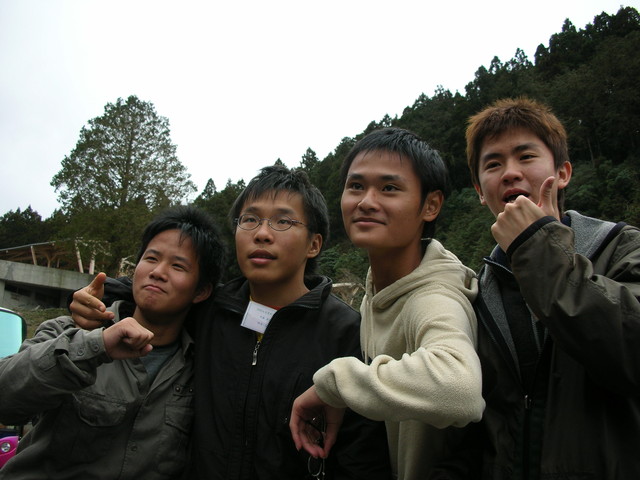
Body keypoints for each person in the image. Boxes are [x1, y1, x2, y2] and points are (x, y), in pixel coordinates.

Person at [70, 165, 392, 479]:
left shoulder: (345, 331)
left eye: (283, 221)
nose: (262, 234)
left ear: (314, 244)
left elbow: (362, 455)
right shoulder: (210, 310)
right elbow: (157, 292)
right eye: (250, 219)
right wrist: (97, 299)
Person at [289, 128, 485, 480]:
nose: (366, 201)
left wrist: (333, 384)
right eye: (356, 186)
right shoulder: (379, 291)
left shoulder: (434, 296)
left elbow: (460, 389)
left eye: (389, 188)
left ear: (431, 205)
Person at [462, 97, 640, 479]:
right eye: (493, 164)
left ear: (563, 173)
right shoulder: (478, 293)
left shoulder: (623, 248)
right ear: (479, 190)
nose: (510, 173)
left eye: (526, 156)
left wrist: (537, 246)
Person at [0, 206, 226, 479]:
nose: (158, 272)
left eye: (178, 266)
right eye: (151, 258)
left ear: (201, 291)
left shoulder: (201, 368)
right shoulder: (68, 330)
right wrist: (97, 345)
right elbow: (6, 400)